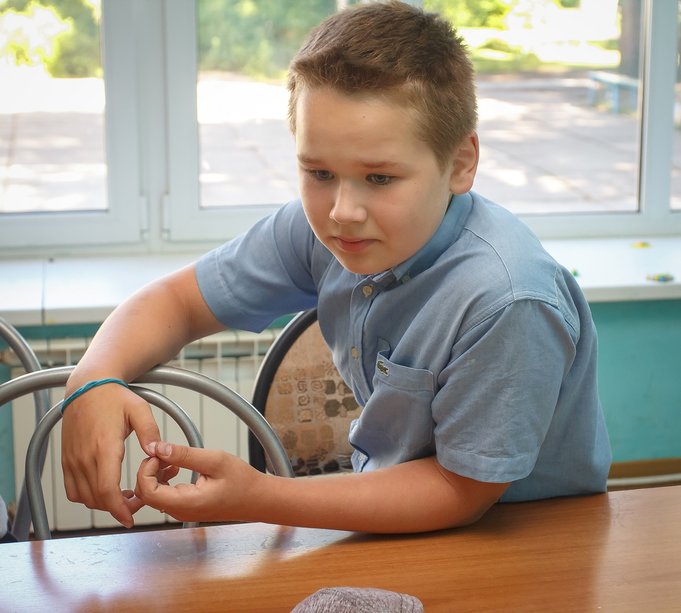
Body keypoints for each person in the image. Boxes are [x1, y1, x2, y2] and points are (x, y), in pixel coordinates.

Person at [61, 0, 611, 534]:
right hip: (401, 525)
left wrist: (260, 497)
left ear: (460, 164)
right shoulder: (322, 229)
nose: (342, 211)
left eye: (380, 178)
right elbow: (177, 301)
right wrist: (91, 380)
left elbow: (459, 491)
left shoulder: (507, 298)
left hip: (528, 542)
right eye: (319, 173)